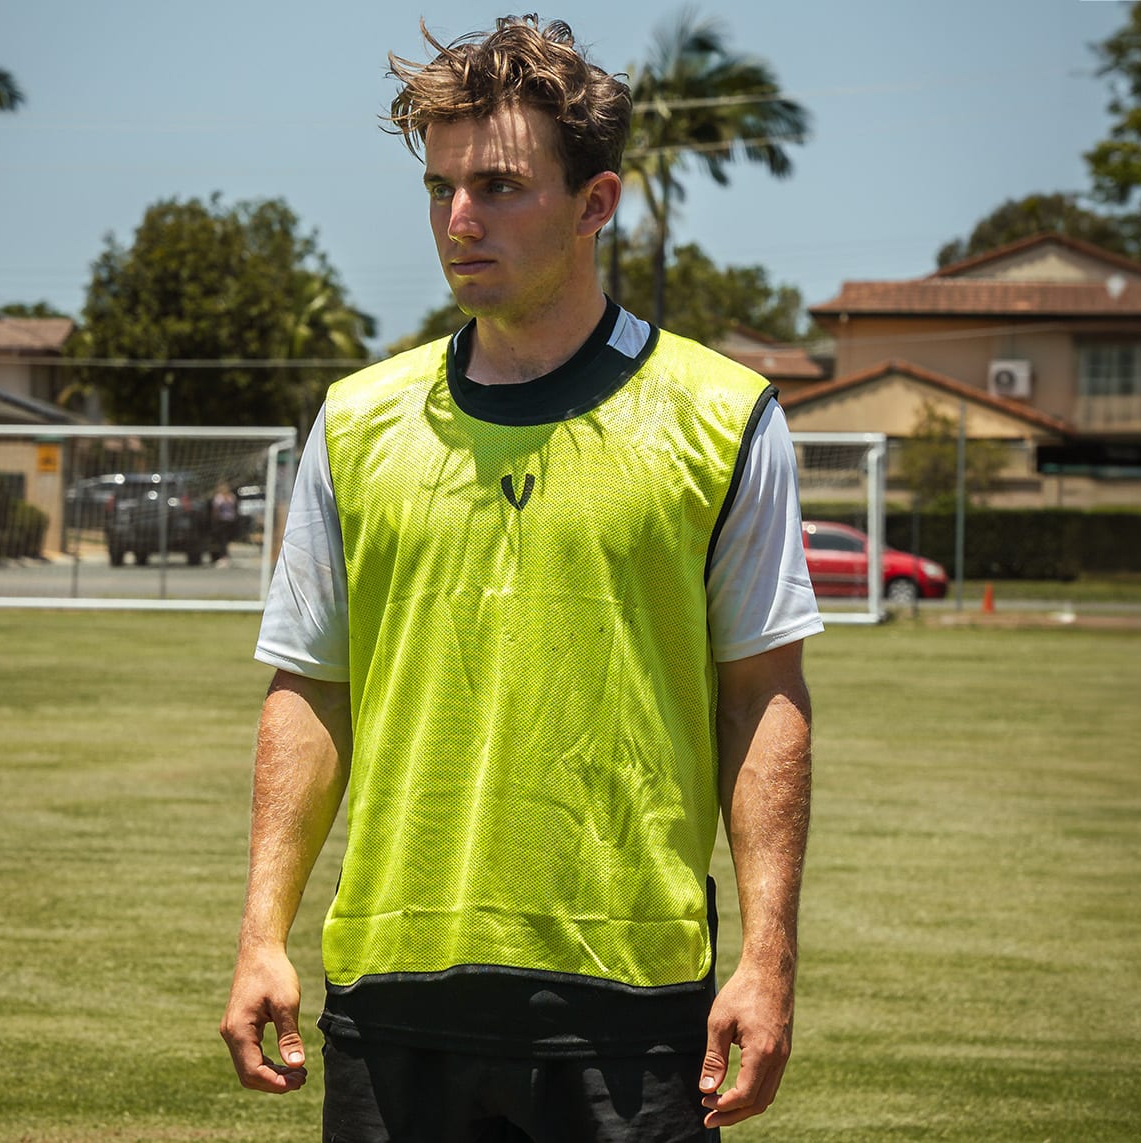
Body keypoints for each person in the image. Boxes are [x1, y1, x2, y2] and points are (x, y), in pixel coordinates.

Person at [221, 15, 822, 1140]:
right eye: (441, 187)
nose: (460, 219)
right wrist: (262, 932)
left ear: (596, 204)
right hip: (393, 991)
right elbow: (309, 687)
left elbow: (761, 698)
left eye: (498, 186)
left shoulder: (722, 416)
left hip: (630, 1004)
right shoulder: (355, 422)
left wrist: (768, 958)